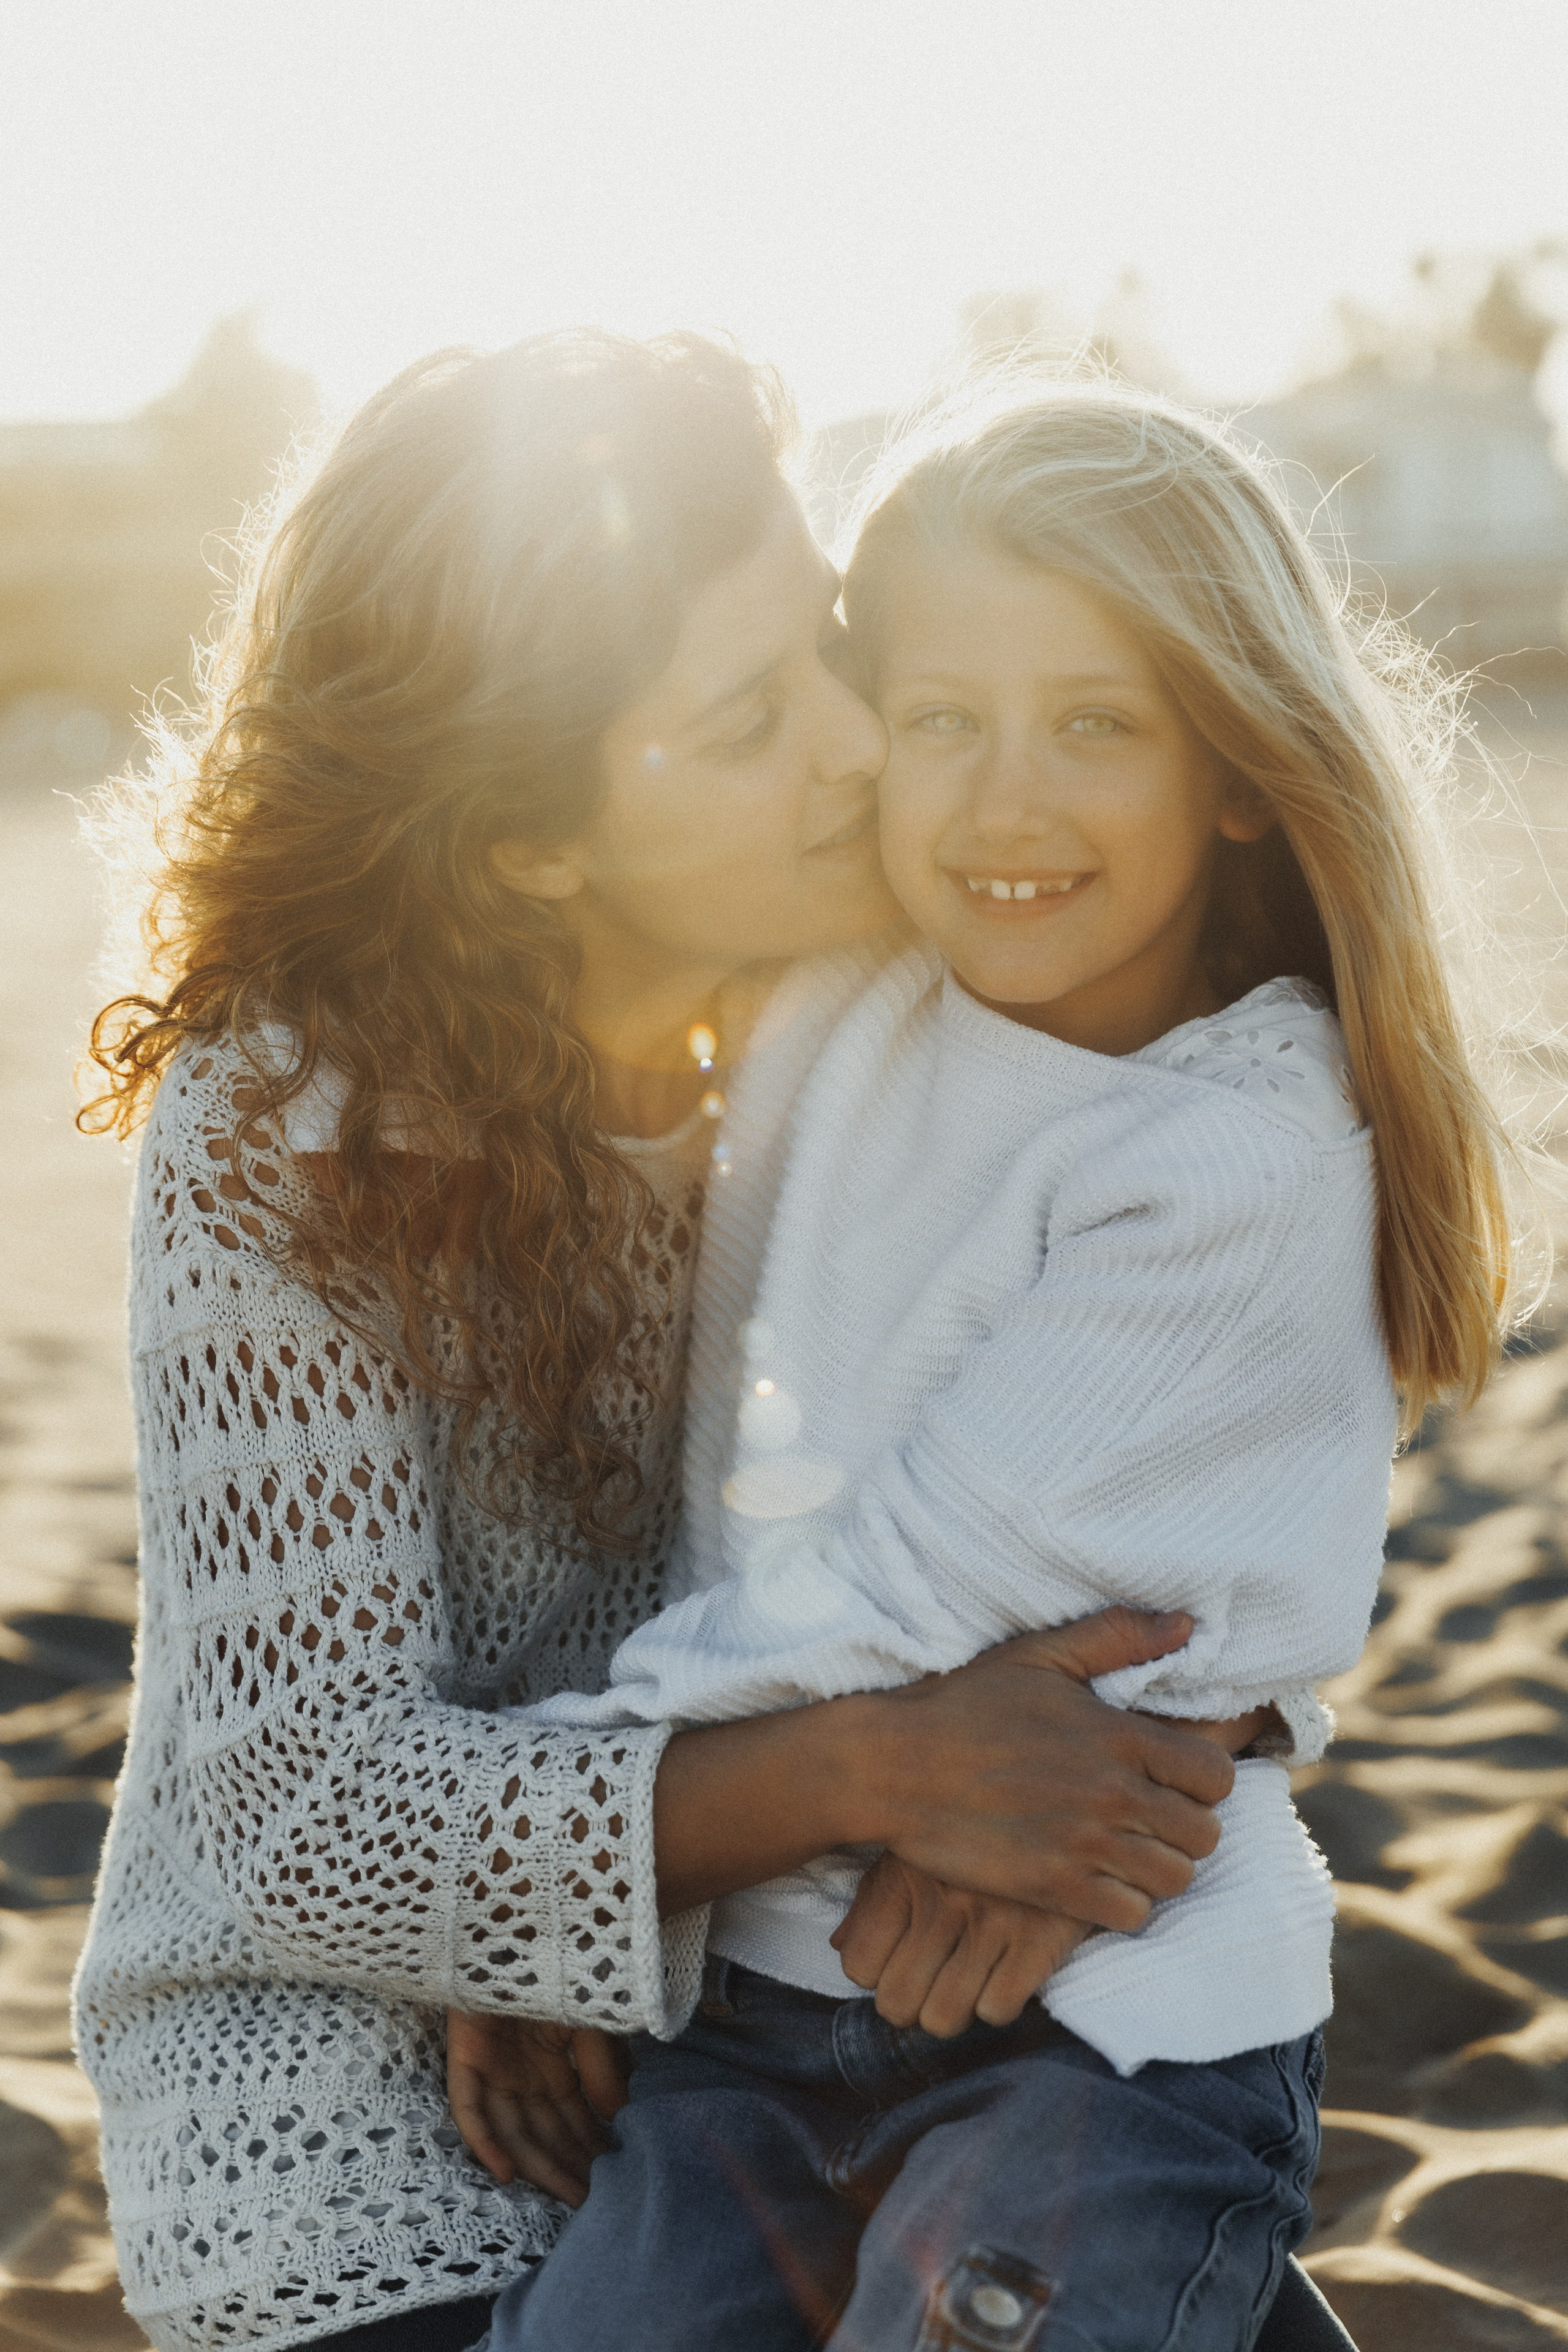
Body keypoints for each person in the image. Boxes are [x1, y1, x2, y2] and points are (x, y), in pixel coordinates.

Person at [70, 334, 1250, 2352]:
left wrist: (621, 1877)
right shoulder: (294, 1119)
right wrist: (847, 1777)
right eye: (745, 720)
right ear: (527, 839)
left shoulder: (874, 1008)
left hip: (787, 2021)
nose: (855, 747)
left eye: (827, 652)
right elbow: (298, 1822)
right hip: (353, 2123)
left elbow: (1168, 1410)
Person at [465, 385, 1513, 2351]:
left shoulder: (1237, 1148)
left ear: (1238, 768)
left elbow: (905, 1591)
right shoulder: (842, 998)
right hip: (752, 2023)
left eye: (1094, 724)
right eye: (943, 718)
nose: (1004, 804)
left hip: (1102, 2023)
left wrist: (553, 1858)